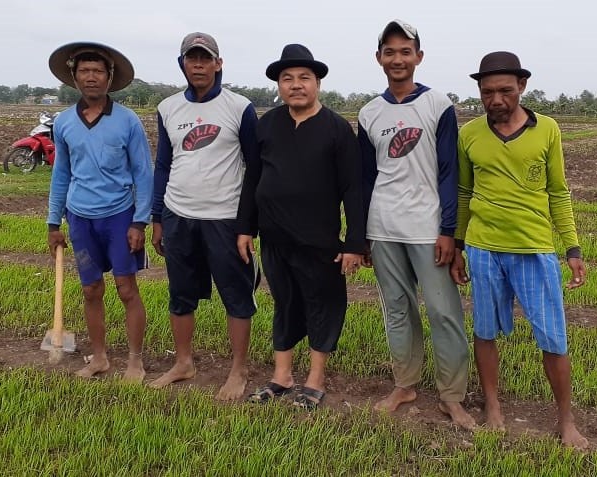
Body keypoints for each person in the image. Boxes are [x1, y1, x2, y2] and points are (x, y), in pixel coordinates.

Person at [451, 51, 589, 448]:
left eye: (505, 91)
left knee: (553, 338)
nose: (496, 99)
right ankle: (493, 407)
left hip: (534, 249)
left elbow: (558, 192)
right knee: (485, 330)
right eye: (487, 92)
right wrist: (459, 245)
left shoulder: (547, 130)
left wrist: (572, 248)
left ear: (522, 87)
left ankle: (566, 420)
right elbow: (463, 192)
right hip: (483, 249)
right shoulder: (470, 134)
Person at [358, 20, 474, 429]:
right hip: (383, 227)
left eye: (405, 51)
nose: (397, 59)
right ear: (379, 59)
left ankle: (452, 396)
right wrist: (363, 237)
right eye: (389, 52)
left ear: (419, 57)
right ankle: (405, 385)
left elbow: (448, 172)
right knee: (397, 310)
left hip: (428, 229)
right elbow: (366, 177)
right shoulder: (369, 112)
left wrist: (448, 231)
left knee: (444, 312)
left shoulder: (438, 105)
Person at [236, 44, 365, 411]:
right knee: (285, 303)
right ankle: (282, 376)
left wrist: (355, 242)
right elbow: (253, 180)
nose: (295, 85)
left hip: (319, 240)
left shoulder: (337, 130)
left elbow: (353, 189)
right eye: (287, 78)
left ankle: (315, 380)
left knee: (323, 305)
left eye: (303, 78)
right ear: (279, 85)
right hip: (274, 237)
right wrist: (245, 227)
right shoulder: (268, 124)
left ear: (317, 83)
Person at [147, 32, 260, 401]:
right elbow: (163, 164)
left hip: (225, 219)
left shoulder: (239, 107)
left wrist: (248, 225)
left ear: (218, 63)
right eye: (191, 58)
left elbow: (254, 168)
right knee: (180, 295)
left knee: (236, 296)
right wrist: (158, 217)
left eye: (205, 58)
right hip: (179, 214)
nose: (198, 64)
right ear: (182, 64)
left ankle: (238, 370)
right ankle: (183, 363)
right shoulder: (168, 109)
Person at [46, 41, 153, 383]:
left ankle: (135, 361)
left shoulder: (127, 121)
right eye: (84, 71)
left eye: (98, 71)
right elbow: (61, 172)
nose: (91, 77)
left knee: (126, 288)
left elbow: (143, 173)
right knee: (91, 290)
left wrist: (141, 220)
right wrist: (53, 221)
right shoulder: (63, 123)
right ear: (74, 78)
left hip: (120, 216)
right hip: (80, 218)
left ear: (109, 78)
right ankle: (100, 358)